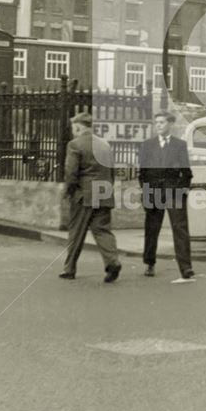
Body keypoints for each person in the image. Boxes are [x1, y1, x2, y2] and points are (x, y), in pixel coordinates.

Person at [59, 112, 122, 283]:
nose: (73, 131)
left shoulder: (75, 145)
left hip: (84, 195)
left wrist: (68, 192)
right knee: (102, 230)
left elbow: (71, 173)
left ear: (78, 127)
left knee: (76, 232)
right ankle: (112, 262)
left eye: (74, 128)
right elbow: (111, 172)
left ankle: (69, 268)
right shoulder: (104, 145)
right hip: (104, 193)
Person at [139, 111, 194, 280]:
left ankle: (186, 268)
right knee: (152, 228)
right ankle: (149, 263)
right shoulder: (148, 145)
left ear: (170, 124)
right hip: (153, 191)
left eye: (162, 122)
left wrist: (183, 187)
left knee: (180, 229)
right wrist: (146, 191)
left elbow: (186, 171)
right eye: (157, 123)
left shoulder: (179, 145)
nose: (159, 125)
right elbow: (142, 172)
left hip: (174, 191)